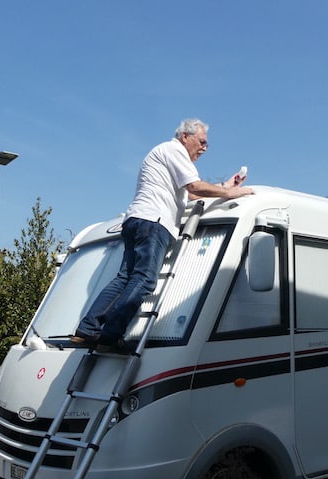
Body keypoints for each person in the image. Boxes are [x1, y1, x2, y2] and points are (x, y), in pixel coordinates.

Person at [72, 118, 255, 352]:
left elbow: (191, 196)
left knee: (125, 278)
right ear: (185, 136)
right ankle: (110, 336)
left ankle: (88, 328)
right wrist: (231, 193)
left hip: (136, 219)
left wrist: (225, 185)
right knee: (145, 279)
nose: (205, 148)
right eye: (202, 142)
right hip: (154, 222)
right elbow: (195, 187)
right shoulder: (175, 150)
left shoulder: (165, 154)